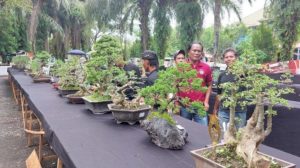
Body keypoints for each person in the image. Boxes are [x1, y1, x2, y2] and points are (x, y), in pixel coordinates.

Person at [178, 42, 212, 125]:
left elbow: (209, 85)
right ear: (189, 52)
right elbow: (176, 85)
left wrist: (206, 101)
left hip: (200, 106)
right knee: (184, 129)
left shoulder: (206, 67)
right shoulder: (181, 66)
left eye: (199, 51)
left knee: (203, 131)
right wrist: (176, 102)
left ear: (201, 53)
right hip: (185, 106)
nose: (196, 53)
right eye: (194, 50)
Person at [212, 48, 247, 131]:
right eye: (226, 57)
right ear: (224, 59)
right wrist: (215, 109)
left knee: (239, 135)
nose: (229, 59)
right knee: (224, 134)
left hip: (239, 111)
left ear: (236, 58)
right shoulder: (222, 75)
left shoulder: (243, 74)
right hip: (224, 111)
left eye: (231, 56)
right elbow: (219, 94)